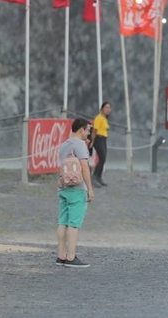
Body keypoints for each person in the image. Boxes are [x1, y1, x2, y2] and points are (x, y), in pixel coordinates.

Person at [56, 118, 95, 268]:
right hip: (77, 189)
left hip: (63, 187)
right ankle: (71, 257)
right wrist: (90, 189)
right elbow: (84, 168)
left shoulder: (64, 145)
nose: (88, 133)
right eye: (88, 130)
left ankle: (61, 255)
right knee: (74, 223)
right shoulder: (80, 145)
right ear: (81, 130)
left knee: (62, 221)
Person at [91, 102, 111, 187]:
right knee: (102, 157)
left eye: (109, 108)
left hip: (103, 139)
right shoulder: (98, 118)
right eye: (106, 107)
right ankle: (94, 177)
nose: (108, 110)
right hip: (98, 139)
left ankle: (99, 177)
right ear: (102, 108)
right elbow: (94, 130)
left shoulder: (105, 119)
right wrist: (92, 141)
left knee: (103, 159)